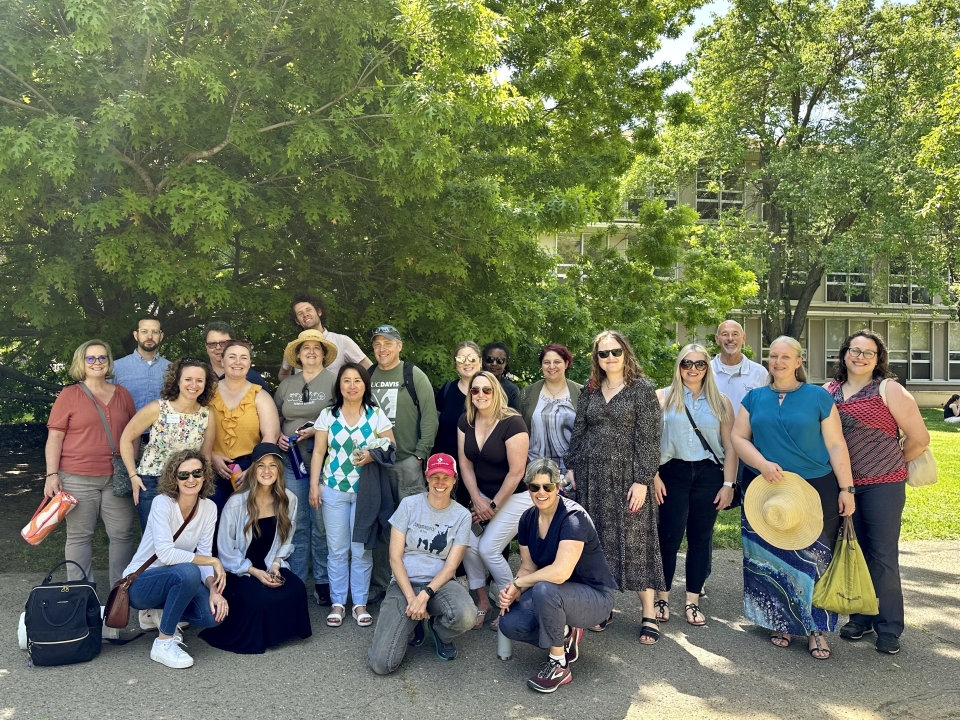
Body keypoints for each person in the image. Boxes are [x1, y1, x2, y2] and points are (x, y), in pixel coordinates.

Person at [732, 335, 856, 660]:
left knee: (815, 561)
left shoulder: (818, 397)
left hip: (817, 489)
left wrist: (846, 489)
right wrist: (760, 464)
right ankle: (780, 620)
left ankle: (816, 629)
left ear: (799, 361)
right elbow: (738, 437)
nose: (778, 362)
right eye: (773, 356)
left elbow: (836, 445)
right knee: (771, 559)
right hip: (767, 490)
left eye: (786, 357)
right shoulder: (754, 398)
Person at [825, 330, 929, 655]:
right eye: (854, 350)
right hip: (844, 486)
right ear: (844, 354)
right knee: (856, 550)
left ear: (878, 359)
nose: (860, 356)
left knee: (883, 556)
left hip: (884, 485)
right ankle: (861, 617)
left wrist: (892, 463)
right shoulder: (828, 391)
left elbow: (920, 437)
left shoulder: (889, 389)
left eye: (868, 352)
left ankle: (889, 626)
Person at [564, 330, 664, 644]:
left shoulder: (642, 389)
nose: (610, 358)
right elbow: (579, 430)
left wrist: (643, 481)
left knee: (636, 543)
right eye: (603, 354)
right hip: (592, 478)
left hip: (628, 480)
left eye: (615, 352)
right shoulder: (590, 389)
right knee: (599, 545)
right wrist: (572, 467)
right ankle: (603, 608)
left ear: (626, 353)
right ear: (596, 358)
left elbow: (649, 440)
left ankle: (648, 612)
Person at [498, 458, 618, 694]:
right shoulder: (527, 519)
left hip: (594, 597)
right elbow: (528, 567)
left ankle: (559, 665)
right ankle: (564, 634)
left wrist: (519, 583)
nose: (540, 492)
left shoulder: (573, 518)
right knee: (509, 623)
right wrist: (513, 590)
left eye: (547, 487)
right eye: (534, 487)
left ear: (558, 487)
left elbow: (561, 573)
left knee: (545, 589)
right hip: (556, 596)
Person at [368, 453, 476, 674]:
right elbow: (395, 558)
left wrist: (424, 596)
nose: (440, 483)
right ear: (426, 477)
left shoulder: (462, 516)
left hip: (440, 584)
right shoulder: (409, 505)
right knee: (381, 664)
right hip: (404, 582)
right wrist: (412, 599)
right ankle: (413, 622)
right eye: (434, 476)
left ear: (455, 479)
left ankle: (439, 631)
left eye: (445, 477)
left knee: (466, 616)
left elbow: (450, 567)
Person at [652, 344, 737, 626]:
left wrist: (728, 484)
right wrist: (652, 476)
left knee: (701, 539)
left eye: (700, 364)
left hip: (709, 474)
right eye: (687, 363)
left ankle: (692, 602)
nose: (693, 369)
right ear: (679, 366)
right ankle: (662, 598)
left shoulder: (721, 402)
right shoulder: (662, 397)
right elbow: (647, 442)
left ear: (707, 368)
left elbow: (731, 446)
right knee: (669, 537)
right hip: (671, 472)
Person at [200, 443, 312, 654]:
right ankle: (258, 635)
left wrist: (277, 565)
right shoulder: (236, 504)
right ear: (252, 469)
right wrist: (255, 572)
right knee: (259, 599)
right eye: (261, 466)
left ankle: (281, 632)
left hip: (269, 563)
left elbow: (287, 539)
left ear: (279, 469)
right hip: (238, 571)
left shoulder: (289, 500)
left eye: (272, 466)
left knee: (296, 590)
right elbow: (226, 552)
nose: (267, 471)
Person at [310, 363, 397, 628]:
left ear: (365, 385)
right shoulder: (328, 414)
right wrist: (315, 485)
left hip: (366, 492)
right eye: (346, 381)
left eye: (357, 380)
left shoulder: (375, 415)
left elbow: (392, 446)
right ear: (339, 386)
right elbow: (318, 452)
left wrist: (373, 455)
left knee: (360, 550)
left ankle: (359, 603)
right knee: (336, 550)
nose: (351, 386)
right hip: (334, 489)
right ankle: (338, 602)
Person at [44, 339, 136, 591]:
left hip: (116, 479)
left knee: (122, 535)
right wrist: (52, 474)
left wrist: (131, 468)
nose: (97, 362)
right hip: (77, 477)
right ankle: (81, 594)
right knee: (79, 536)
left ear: (109, 362)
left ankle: (121, 594)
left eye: (102, 358)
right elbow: (55, 436)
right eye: (91, 358)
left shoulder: (122, 394)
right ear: (81, 363)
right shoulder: (69, 395)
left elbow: (133, 434)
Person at [125, 450, 228, 669]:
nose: (191, 479)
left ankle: (159, 613)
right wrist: (213, 562)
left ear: (205, 476)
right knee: (187, 571)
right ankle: (163, 643)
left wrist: (213, 590)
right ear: (174, 478)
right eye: (184, 475)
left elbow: (204, 553)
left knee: (213, 616)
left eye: (197, 473)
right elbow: (166, 554)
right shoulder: (162, 503)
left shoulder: (209, 508)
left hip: (177, 580)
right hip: (140, 583)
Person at [368, 324, 439, 602]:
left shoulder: (413, 375)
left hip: (407, 461)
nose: (382, 349)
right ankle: (381, 586)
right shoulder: (368, 376)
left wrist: (420, 454)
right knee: (381, 525)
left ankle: (418, 583)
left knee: (415, 526)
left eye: (388, 343)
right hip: (375, 463)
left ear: (399, 346)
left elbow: (429, 417)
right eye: (377, 344)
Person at [459, 370, 530, 630]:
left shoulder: (513, 422)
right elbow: (464, 465)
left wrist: (492, 506)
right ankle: (482, 601)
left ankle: (509, 601)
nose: (480, 395)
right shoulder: (465, 421)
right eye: (475, 390)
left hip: (516, 496)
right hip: (483, 496)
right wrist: (477, 499)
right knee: (465, 540)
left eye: (486, 390)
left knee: (488, 548)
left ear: (496, 392)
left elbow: (517, 473)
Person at [274, 329, 338, 604]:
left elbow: (343, 416)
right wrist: (277, 433)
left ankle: (323, 580)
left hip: (324, 461)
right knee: (296, 520)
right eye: (305, 348)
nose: (311, 352)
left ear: (323, 353)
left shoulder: (335, 381)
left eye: (316, 348)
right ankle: (298, 578)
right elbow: (273, 414)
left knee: (321, 523)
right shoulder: (287, 385)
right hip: (292, 462)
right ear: (298, 355)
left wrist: (318, 430)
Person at [119, 358, 217, 533]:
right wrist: (133, 476)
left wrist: (203, 487)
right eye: (188, 379)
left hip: (188, 483)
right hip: (152, 482)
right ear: (178, 380)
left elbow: (206, 457)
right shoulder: (158, 408)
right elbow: (126, 438)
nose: (193, 384)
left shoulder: (207, 414)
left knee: (181, 538)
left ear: (206, 384)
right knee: (153, 541)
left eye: (199, 380)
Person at [209, 341, 281, 516]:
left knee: (245, 520)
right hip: (212, 466)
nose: (237, 362)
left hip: (249, 467)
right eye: (232, 357)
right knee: (212, 520)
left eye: (243, 358)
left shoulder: (260, 396)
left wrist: (254, 468)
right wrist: (211, 456)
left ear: (249, 363)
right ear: (222, 361)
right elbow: (195, 429)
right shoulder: (206, 393)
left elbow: (270, 436)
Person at [277, 293, 373, 381]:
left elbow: (370, 369)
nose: (305, 314)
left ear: (319, 312)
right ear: (297, 321)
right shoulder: (292, 347)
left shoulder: (342, 341)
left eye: (308, 310)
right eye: (300, 313)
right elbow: (283, 375)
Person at [518, 344, 582, 474]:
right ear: (541, 365)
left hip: (572, 471)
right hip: (534, 470)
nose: (551, 366)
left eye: (557, 362)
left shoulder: (581, 392)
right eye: (547, 362)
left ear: (566, 363)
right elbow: (517, 431)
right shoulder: (527, 393)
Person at [432, 341, 482, 506]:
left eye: (472, 357)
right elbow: (433, 425)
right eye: (461, 359)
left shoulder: (491, 393)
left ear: (480, 361)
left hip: (480, 472)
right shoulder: (447, 390)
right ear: (455, 364)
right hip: (445, 471)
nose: (466, 362)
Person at [111, 316, 171, 412]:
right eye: (144, 331)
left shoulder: (172, 369)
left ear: (161, 336)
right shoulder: (116, 367)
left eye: (155, 332)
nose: (149, 336)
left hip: (163, 426)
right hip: (127, 426)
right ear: (136, 335)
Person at [711, 320, 769, 414]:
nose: (730, 338)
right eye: (725, 334)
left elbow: (766, 408)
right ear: (717, 339)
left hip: (749, 429)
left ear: (743, 338)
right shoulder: (706, 370)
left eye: (735, 334)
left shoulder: (759, 372)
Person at [203, 321, 270, 391]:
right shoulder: (198, 374)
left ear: (232, 344)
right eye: (212, 344)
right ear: (206, 346)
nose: (218, 348)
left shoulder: (252, 377)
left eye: (223, 343)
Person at [482, 342, 520, 410]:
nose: (494, 364)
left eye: (500, 360)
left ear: (505, 364)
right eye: (490, 359)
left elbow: (515, 415)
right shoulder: (474, 385)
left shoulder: (512, 390)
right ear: (483, 362)